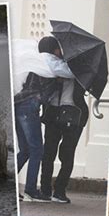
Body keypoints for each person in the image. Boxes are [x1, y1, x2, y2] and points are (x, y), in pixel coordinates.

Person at [13, 36, 74, 202]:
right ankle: (31, 190)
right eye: (58, 49)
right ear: (53, 49)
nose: (60, 52)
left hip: (18, 104)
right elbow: (71, 72)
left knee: (25, 150)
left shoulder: (35, 59)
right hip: (29, 106)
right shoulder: (51, 61)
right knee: (37, 150)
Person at [40, 76, 88, 204]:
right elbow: (42, 85)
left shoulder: (82, 68)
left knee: (67, 153)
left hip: (73, 112)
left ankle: (59, 190)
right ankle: (45, 189)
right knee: (48, 152)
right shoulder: (51, 65)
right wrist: (55, 80)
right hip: (53, 110)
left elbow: (88, 84)